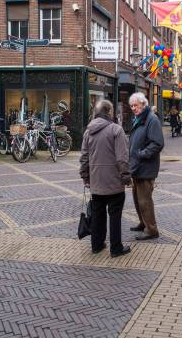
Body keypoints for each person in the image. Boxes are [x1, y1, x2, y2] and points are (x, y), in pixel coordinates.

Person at [79, 100, 132, 258]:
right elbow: (122, 158)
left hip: (96, 182)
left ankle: (97, 245)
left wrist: (85, 176)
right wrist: (126, 177)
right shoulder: (116, 130)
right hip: (114, 182)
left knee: (97, 214)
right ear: (109, 112)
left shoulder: (88, 131)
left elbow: (84, 158)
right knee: (114, 215)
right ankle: (116, 248)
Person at [129, 92, 164, 240]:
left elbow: (158, 143)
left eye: (135, 105)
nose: (133, 108)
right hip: (137, 166)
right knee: (137, 199)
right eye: (131, 106)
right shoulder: (139, 119)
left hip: (145, 167)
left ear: (143, 104)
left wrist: (142, 154)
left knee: (145, 201)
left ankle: (151, 229)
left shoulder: (152, 119)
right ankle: (143, 223)